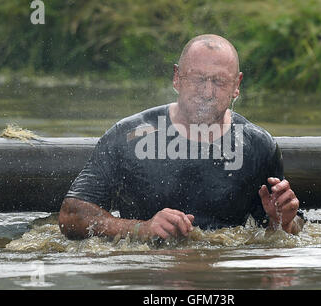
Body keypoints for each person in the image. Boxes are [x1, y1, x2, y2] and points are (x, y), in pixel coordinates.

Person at [58, 34, 305, 241]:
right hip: (149, 271)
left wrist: (282, 222)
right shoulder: (129, 136)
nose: (207, 92)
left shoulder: (258, 146)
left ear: (236, 85)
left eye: (219, 81)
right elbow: (72, 215)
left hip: (224, 273)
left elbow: (286, 233)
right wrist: (140, 229)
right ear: (177, 77)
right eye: (197, 79)